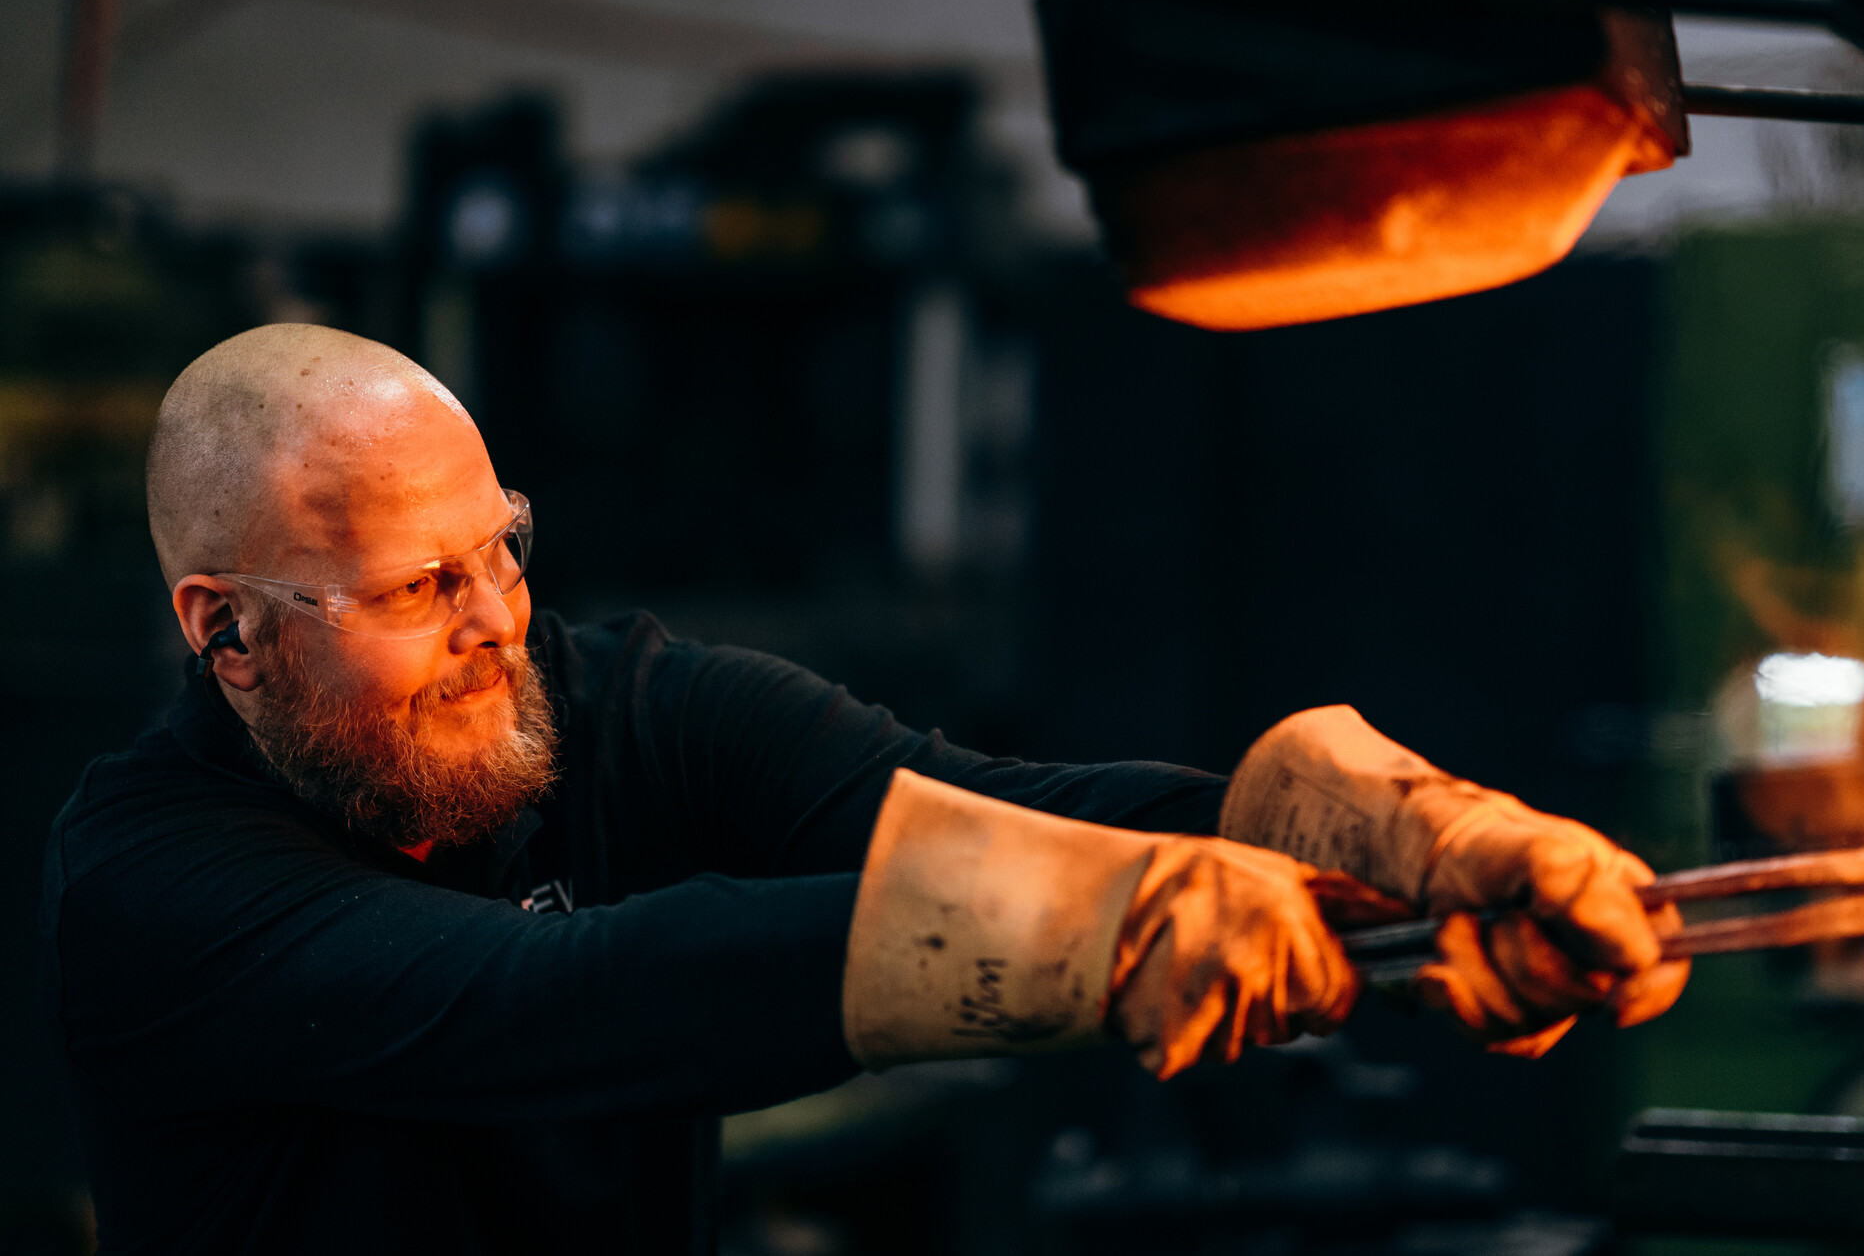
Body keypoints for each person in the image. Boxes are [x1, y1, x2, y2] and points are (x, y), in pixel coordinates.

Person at [41, 324, 1686, 1253]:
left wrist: (1387, 842)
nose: (495, 624)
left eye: (504, 549)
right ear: (229, 632)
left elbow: (966, 799)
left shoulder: (618, 702)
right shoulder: (155, 878)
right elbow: (545, 997)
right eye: (416, 589)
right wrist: (1090, 931)